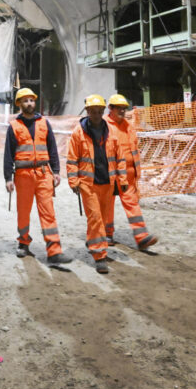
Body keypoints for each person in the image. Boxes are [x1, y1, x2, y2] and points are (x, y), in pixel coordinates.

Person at [3, 87, 71, 266]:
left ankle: (54, 251)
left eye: (31, 100)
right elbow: (8, 154)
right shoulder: (14, 126)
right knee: (23, 212)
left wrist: (56, 171)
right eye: (25, 101)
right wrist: (8, 178)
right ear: (19, 104)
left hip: (43, 174)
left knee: (48, 212)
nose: (29, 103)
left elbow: (52, 148)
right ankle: (23, 242)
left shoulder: (44, 123)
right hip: (23, 176)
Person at [65, 95, 124, 274]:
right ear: (88, 112)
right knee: (96, 218)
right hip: (88, 184)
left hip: (108, 182)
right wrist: (73, 181)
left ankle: (92, 241)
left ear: (103, 111)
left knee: (102, 219)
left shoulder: (111, 132)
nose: (97, 115)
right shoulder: (78, 133)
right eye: (93, 111)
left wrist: (122, 180)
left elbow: (119, 157)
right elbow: (72, 159)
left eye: (100, 111)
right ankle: (100, 255)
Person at [104, 94, 159, 251]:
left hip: (128, 174)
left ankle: (142, 238)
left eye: (124, 108)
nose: (122, 111)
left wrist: (136, 172)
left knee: (132, 204)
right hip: (111, 173)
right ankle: (107, 234)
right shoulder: (104, 125)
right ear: (111, 109)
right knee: (107, 205)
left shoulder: (128, 126)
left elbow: (134, 149)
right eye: (119, 108)